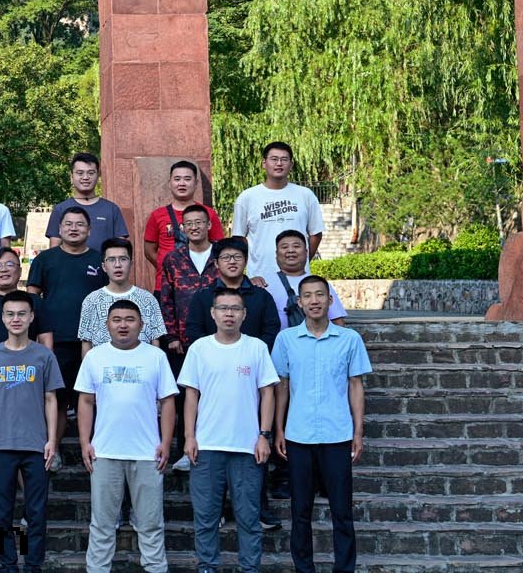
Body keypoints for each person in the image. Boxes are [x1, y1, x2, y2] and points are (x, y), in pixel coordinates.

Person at [274, 276, 371, 573]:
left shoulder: (349, 339)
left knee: (342, 511)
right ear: (299, 302)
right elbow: (282, 386)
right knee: (300, 511)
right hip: (299, 435)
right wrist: (278, 429)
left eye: (320, 295)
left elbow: (356, 385)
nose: (314, 301)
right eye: (307, 295)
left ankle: (344, 569)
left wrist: (358, 431)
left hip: (337, 435)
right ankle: (304, 569)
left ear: (330, 300)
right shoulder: (286, 340)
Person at [179, 288, 279, 573]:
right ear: (213, 313)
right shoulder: (200, 348)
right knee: (206, 516)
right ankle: (207, 567)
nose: (229, 314)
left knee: (249, 517)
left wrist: (264, 435)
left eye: (235, 309)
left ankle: (250, 568)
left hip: (247, 447)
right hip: (207, 446)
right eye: (223, 308)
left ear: (244, 314)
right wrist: (189, 436)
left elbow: (268, 393)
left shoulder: (256, 348)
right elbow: (191, 396)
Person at [76, 300, 178, 573]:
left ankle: (155, 568)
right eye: (117, 319)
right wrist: (85, 442)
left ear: (141, 325)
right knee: (102, 523)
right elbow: (85, 401)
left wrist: (166, 442)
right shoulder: (95, 357)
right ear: (107, 324)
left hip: (147, 453)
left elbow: (168, 401)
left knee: (151, 523)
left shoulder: (155, 357)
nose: (123, 325)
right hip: (105, 452)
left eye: (130, 319)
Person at [0, 292, 61, 573]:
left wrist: (52, 440)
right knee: (2, 511)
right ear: (2, 318)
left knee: (36, 510)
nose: (16, 319)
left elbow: (51, 399)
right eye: (10, 314)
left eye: (22, 313)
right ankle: (7, 564)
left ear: (32, 317)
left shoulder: (44, 355)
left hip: (36, 445)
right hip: (1, 444)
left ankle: (33, 564)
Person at [0, 247, 51, 528]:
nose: (4, 270)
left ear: (20, 270)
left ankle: (28, 507)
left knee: (25, 448)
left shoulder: (33, 302)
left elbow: (45, 339)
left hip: (28, 385)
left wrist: (45, 378)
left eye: (10, 265)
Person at [25, 206, 105, 455]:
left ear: (89, 230)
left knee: (92, 397)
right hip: (55, 340)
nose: (73, 228)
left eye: (80, 224)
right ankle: (53, 450)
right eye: (68, 224)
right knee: (57, 399)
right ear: (59, 229)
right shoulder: (45, 260)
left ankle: (94, 450)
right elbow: (32, 298)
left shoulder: (99, 260)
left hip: (93, 342)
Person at [155, 203, 221, 472]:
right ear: (182, 228)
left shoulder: (221, 255)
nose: (194, 227)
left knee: (215, 394)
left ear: (209, 225)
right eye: (189, 223)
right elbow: (166, 299)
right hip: (183, 342)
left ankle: (213, 446)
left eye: (199, 222)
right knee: (184, 395)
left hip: (219, 338)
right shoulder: (173, 259)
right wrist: (171, 335)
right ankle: (185, 448)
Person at [230, 141, 324, 279]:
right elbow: (238, 237)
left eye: (284, 159)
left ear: (291, 164)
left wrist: (302, 261)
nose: (279, 163)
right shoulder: (247, 197)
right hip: (260, 276)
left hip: (298, 276)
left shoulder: (306, 195)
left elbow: (316, 233)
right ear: (264, 163)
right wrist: (253, 260)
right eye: (274, 159)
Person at [184, 238, 283, 349]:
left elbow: (271, 329)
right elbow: (194, 330)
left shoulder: (261, 296)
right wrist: (213, 353)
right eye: (226, 257)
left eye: (238, 257)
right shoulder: (203, 296)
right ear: (216, 263)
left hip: (253, 357)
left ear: (246, 261)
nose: (232, 261)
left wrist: (254, 352)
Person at [77, 240, 167, 354]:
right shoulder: (91, 300)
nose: (117, 265)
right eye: (111, 260)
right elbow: (86, 342)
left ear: (131, 264)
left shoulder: (148, 299)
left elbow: (155, 340)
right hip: (103, 364)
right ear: (104, 266)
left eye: (123, 259)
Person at [142, 160, 223, 273]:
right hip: (166, 281)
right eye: (177, 179)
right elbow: (149, 251)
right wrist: (166, 267)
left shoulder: (209, 214)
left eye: (187, 179)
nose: (182, 183)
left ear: (196, 183)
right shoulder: (157, 215)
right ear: (170, 183)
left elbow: (219, 247)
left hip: (201, 279)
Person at [262, 230, 348, 329]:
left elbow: (337, 322)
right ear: (277, 254)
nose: (291, 250)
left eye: (296, 246)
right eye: (284, 247)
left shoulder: (319, 284)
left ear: (306, 252)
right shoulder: (264, 283)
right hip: (277, 339)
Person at [45, 153, 129, 253]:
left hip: (102, 263)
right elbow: (54, 250)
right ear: (71, 177)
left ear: (98, 176)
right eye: (80, 173)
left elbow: (121, 248)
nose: (85, 177)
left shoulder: (112, 209)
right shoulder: (60, 209)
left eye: (91, 173)